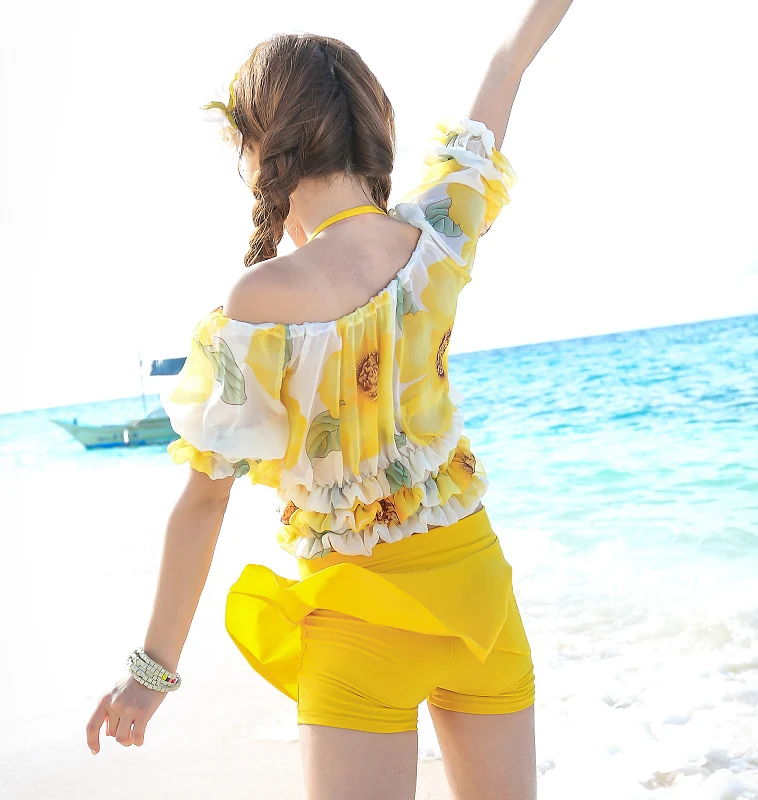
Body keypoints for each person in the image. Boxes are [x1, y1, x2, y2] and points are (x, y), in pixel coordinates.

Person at [86, 3, 574, 797]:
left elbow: (205, 503)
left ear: (259, 150)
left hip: (358, 630)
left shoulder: (257, 300)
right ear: (370, 131)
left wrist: (151, 673)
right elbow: (508, 59)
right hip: (480, 607)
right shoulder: (440, 233)